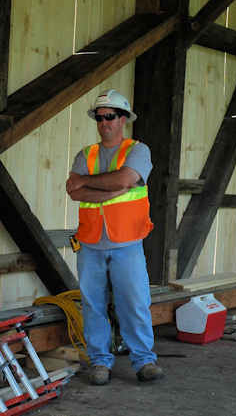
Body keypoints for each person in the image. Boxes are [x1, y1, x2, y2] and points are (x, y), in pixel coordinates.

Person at [66, 89, 164, 385]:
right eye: (99, 117)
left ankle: (144, 361)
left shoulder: (138, 150)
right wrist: (107, 190)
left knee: (133, 302)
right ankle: (99, 363)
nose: (104, 122)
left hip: (127, 242)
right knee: (92, 304)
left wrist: (91, 183)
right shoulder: (86, 155)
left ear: (123, 119)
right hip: (91, 243)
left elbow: (124, 179)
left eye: (110, 116)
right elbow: (74, 190)